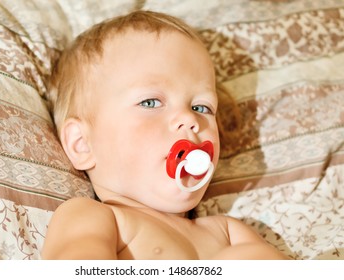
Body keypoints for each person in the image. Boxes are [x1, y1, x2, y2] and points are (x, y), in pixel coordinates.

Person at [41, 10, 288, 260]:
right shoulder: (94, 217)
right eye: (150, 102)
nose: (190, 119)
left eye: (201, 107)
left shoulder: (230, 233)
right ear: (82, 144)